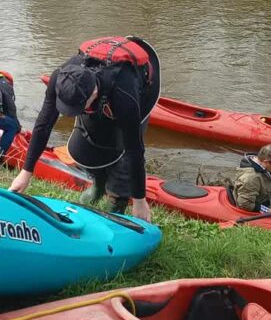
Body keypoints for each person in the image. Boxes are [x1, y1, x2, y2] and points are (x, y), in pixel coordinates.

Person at [9, 37, 159, 223]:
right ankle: (98, 184)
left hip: (140, 88)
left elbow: (134, 150)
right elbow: (43, 126)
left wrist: (139, 200)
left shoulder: (124, 95)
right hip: (99, 89)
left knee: (120, 148)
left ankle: (117, 197)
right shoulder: (61, 77)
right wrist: (26, 172)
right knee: (87, 139)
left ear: (94, 94)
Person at [231, 144, 271, 212]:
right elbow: (244, 204)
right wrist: (268, 210)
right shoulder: (251, 178)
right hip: (265, 208)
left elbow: (268, 182)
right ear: (266, 162)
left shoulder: (262, 166)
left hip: (270, 201)